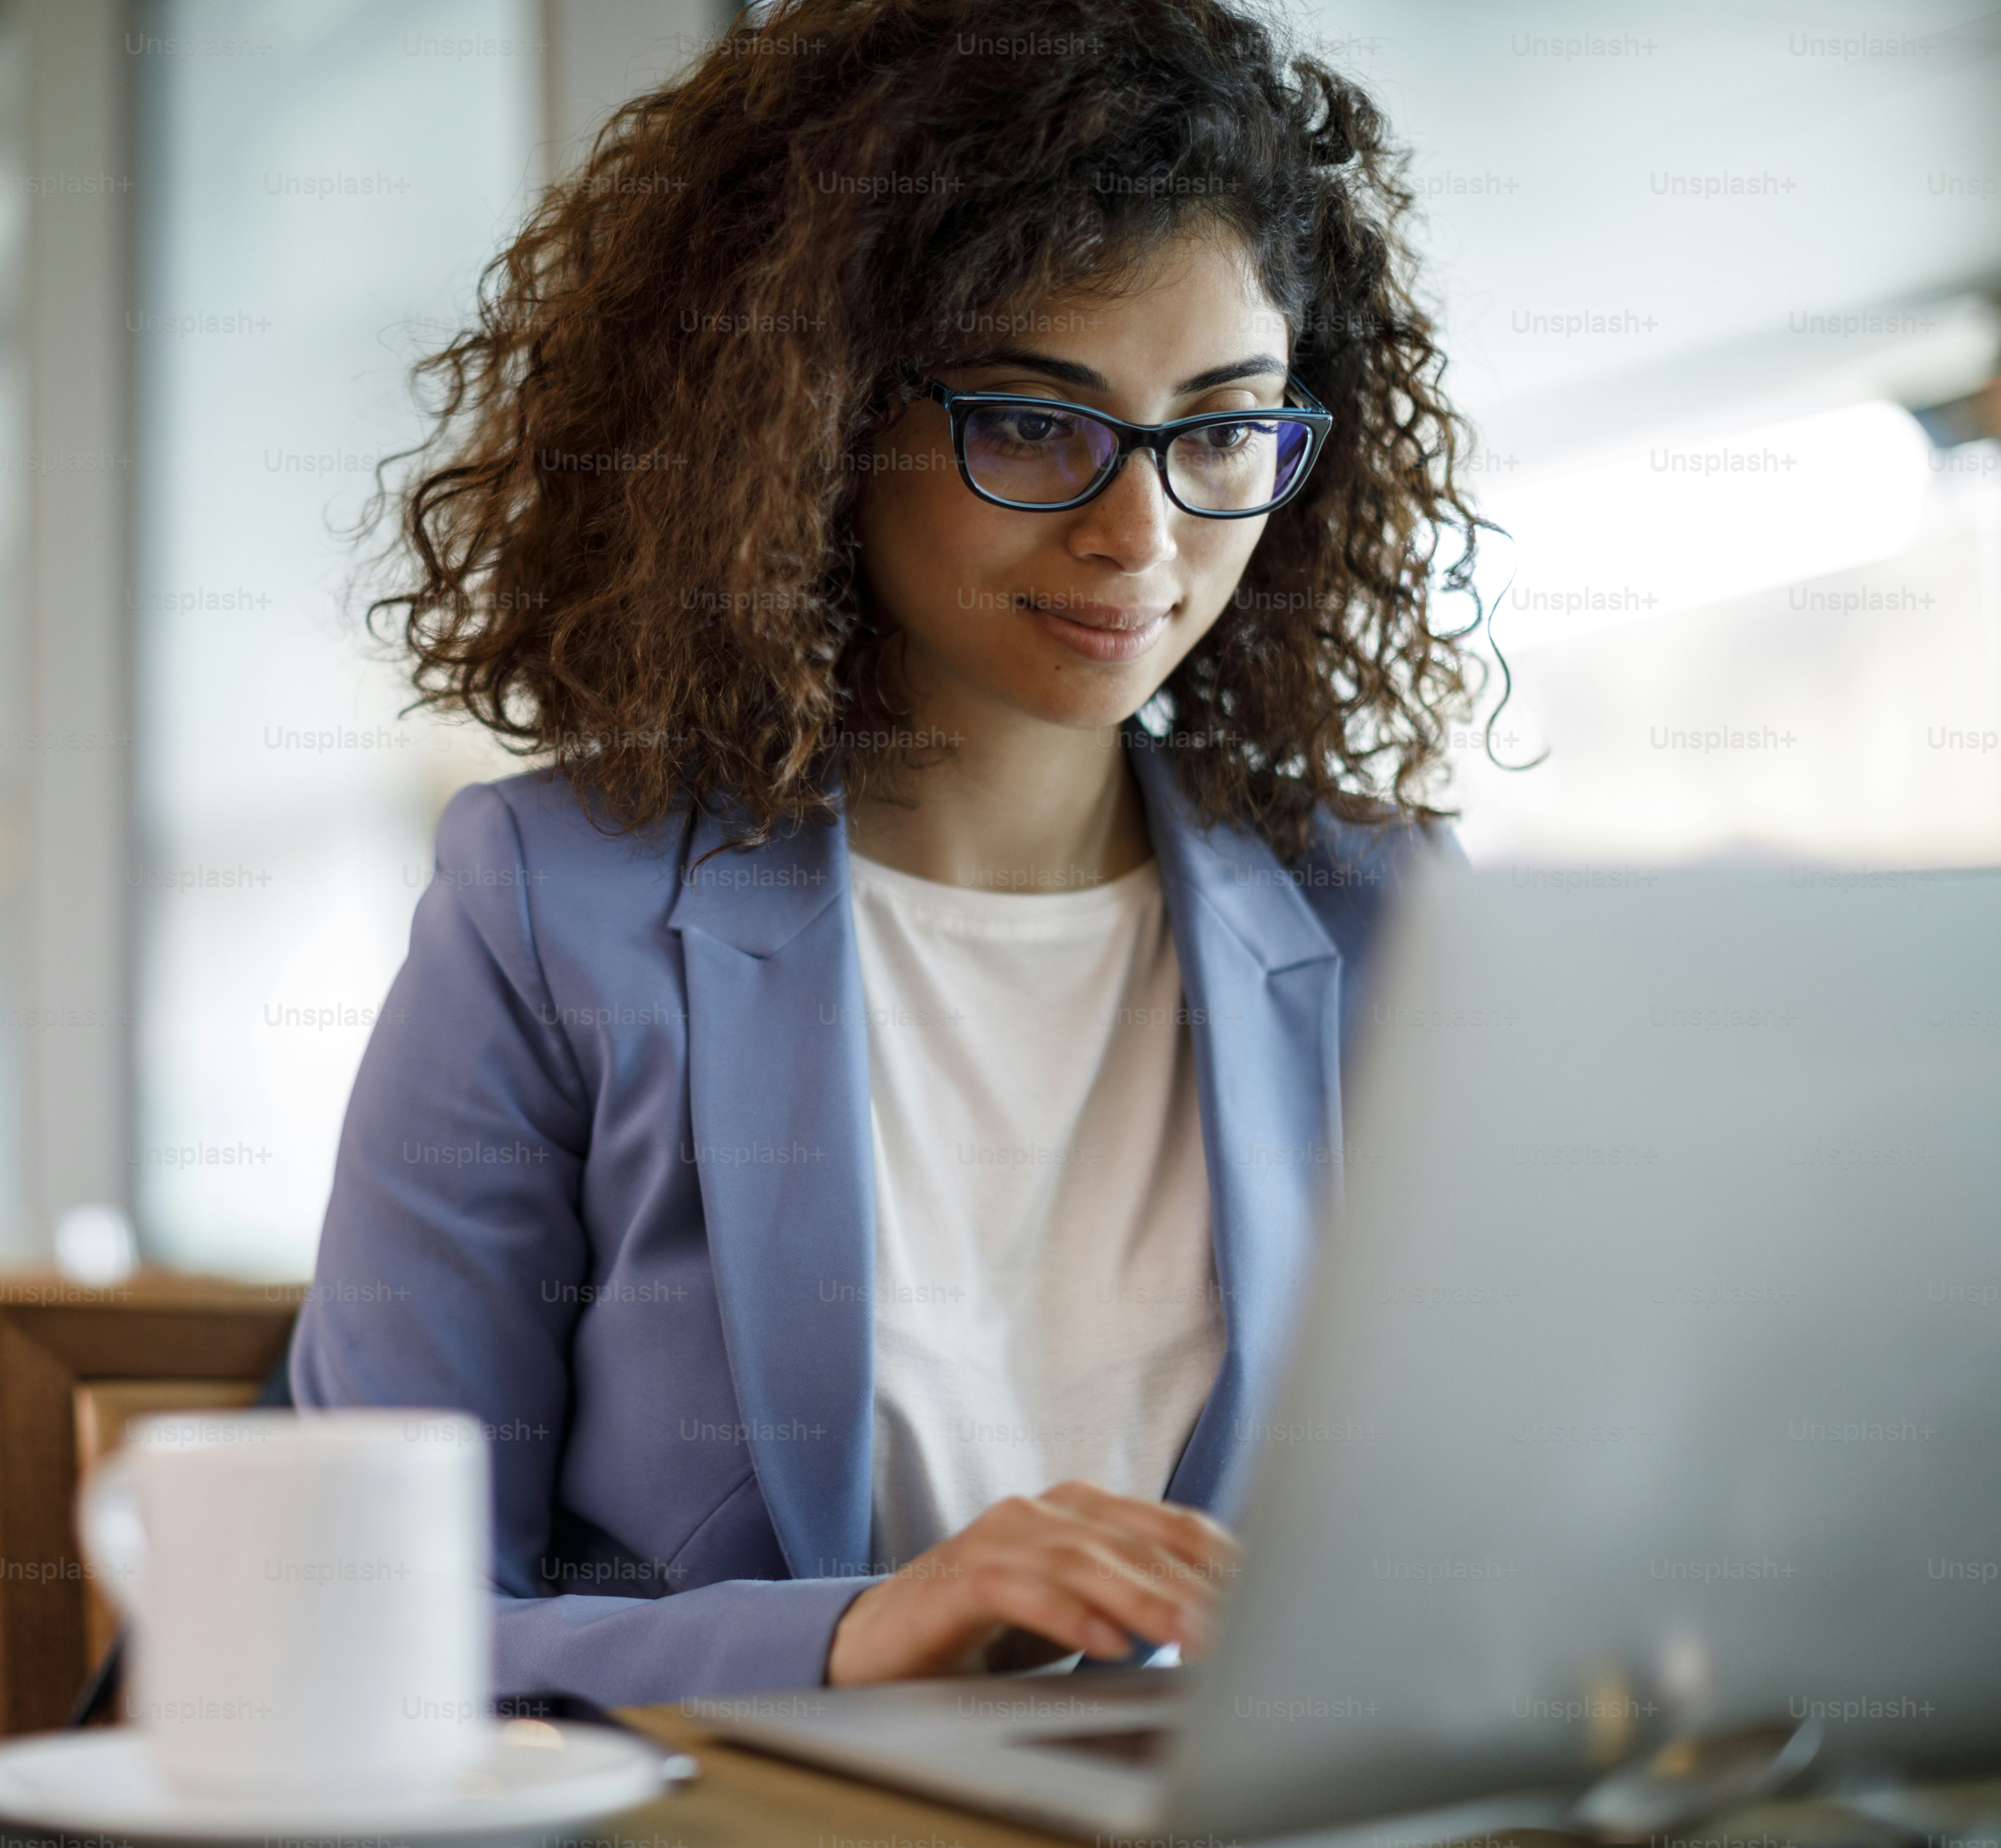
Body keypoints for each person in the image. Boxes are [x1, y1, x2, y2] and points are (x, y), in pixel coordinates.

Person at [288, 0, 1492, 1707]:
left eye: (1222, 426)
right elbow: (360, 1627)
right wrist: (853, 1634)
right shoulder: (557, 907)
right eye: (1031, 421)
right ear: (819, 417)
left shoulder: (1391, 917)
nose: (1140, 535)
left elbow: (1493, 1542)